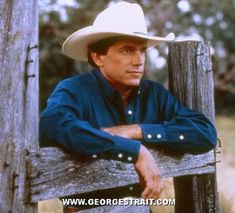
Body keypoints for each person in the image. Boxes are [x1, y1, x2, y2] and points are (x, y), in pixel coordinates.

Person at [40, 1, 217, 212]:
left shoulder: (154, 94)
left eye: (142, 51)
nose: (138, 60)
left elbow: (205, 133)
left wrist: (137, 130)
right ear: (98, 57)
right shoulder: (74, 90)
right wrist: (135, 151)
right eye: (127, 50)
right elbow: (54, 126)